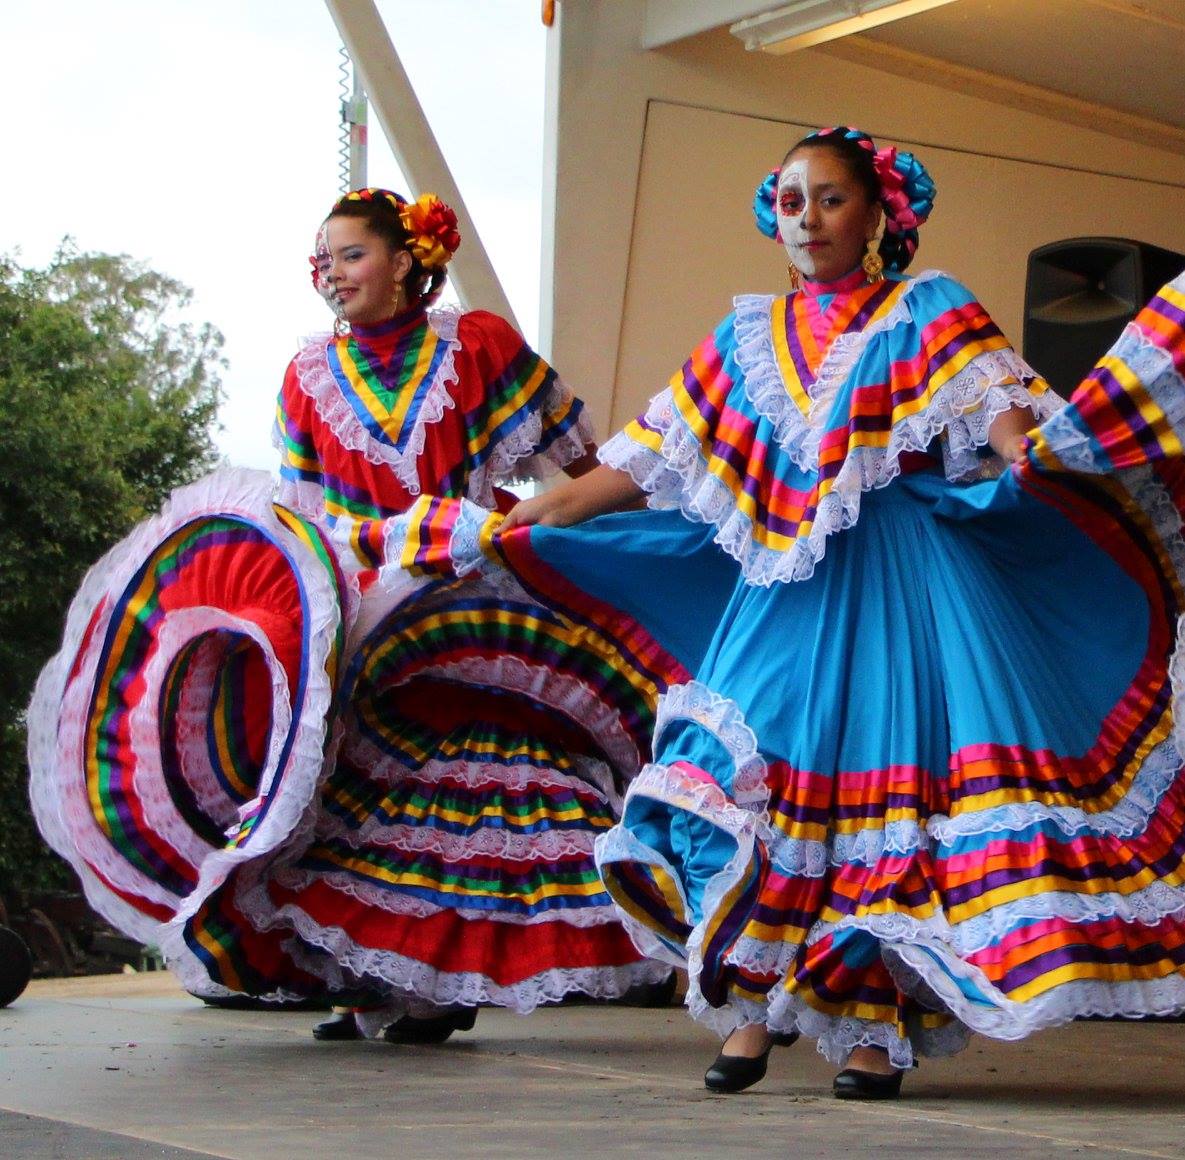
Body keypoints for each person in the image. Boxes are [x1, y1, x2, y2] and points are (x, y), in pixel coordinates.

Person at [390, 126, 1185, 1097]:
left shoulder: (931, 310)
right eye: (792, 200)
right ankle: (751, 1000)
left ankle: (867, 1028)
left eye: (831, 199)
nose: (807, 219)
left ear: (880, 214)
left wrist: (1071, 448)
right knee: (738, 776)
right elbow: (631, 468)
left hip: (901, 587)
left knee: (880, 807)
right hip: (780, 599)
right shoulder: (740, 342)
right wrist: (506, 527)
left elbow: (1010, 431)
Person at [27, 188, 676, 1042]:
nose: (330, 274)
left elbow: (579, 463)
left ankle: (438, 983)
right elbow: (299, 507)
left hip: (468, 593)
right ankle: (363, 976)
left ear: (406, 259)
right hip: (365, 594)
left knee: (461, 781)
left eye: (350, 255)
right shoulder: (306, 374)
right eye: (323, 259)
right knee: (353, 788)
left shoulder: (477, 345)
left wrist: (620, 542)